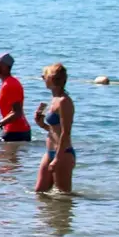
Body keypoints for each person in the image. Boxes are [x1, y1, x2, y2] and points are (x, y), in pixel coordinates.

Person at [33, 63, 76, 194]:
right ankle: (49, 215)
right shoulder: (54, 99)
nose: (42, 78)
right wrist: (41, 124)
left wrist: (57, 158)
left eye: (44, 76)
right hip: (50, 151)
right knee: (40, 193)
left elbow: (66, 132)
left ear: (52, 79)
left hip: (62, 153)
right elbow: (54, 131)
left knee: (64, 196)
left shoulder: (64, 101)